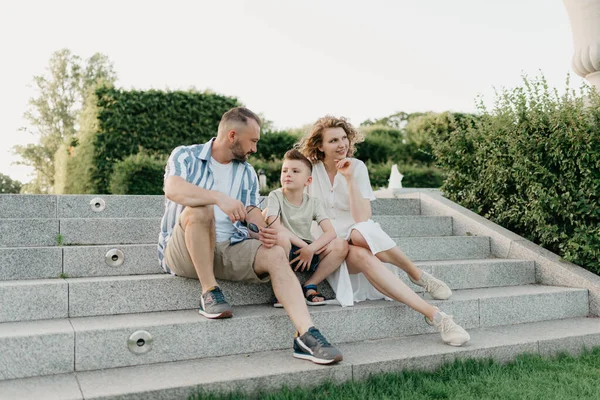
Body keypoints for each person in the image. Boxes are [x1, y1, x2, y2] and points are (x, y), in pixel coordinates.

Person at [157, 107, 343, 364]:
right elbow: (173, 189)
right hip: (185, 251)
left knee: (276, 251)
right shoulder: (185, 155)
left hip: (230, 247)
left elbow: (252, 209)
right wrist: (217, 197)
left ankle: (306, 335)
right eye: (253, 141)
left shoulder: (246, 172)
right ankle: (209, 291)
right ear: (233, 135)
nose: (255, 148)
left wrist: (261, 230)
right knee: (200, 211)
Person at [297, 115, 470, 347]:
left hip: (357, 239)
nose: (342, 145)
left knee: (360, 234)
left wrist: (349, 179)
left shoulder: (356, 167)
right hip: (329, 248)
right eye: (333, 140)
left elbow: (362, 218)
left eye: (344, 138)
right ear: (320, 145)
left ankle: (436, 315)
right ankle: (419, 279)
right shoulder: (309, 169)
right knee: (356, 242)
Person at [266, 149, 348, 306]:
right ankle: (286, 288)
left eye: (295, 171)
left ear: (308, 181)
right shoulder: (275, 196)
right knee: (280, 238)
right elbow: (275, 227)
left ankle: (310, 284)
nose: (288, 174)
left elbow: (330, 232)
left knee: (341, 244)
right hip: (287, 248)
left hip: (309, 251)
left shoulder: (313, 202)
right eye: (284, 171)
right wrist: (305, 247)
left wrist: (311, 249)